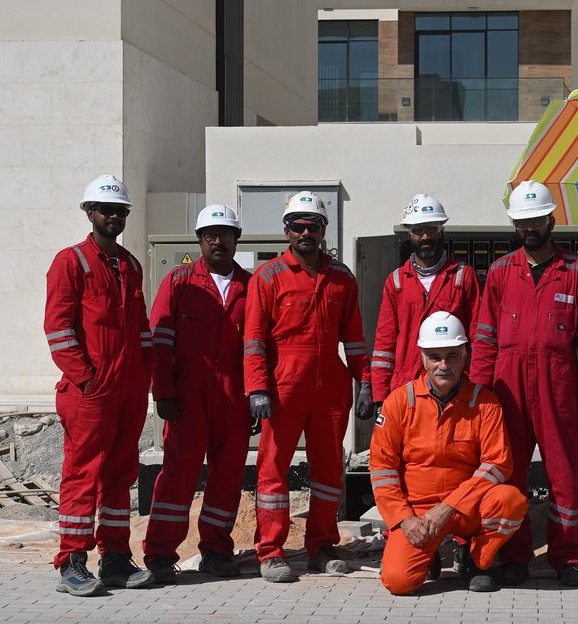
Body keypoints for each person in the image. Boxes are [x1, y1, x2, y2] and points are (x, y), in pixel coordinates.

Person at [470, 181, 578, 588]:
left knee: (564, 476)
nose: (529, 227)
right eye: (521, 222)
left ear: (550, 219)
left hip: (557, 385)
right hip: (507, 387)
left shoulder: (577, 271)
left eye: (536, 220)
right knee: (508, 475)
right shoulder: (499, 272)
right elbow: (484, 338)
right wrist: (478, 394)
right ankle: (514, 556)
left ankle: (568, 557)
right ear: (515, 225)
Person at [244, 191, 369, 582]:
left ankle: (322, 545)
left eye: (312, 226)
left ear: (323, 230)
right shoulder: (268, 277)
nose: (305, 232)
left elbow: (355, 340)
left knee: (330, 469)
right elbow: (253, 340)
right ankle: (271, 551)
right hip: (285, 384)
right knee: (273, 469)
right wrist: (257, 388)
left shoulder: (341, 278)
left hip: (330, 387)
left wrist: (365, 382)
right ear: (286, 231)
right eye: (297, 226)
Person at [46, 174, 155, 596]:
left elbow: (140, 328)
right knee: (82, 474)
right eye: (106, 210)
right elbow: (58, 330)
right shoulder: (70, 262)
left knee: (119, 475)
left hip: (127, 390)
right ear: (89, 213)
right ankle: (71, 562)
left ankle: (114, 559)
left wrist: (144, 375)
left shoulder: (129, 265)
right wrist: (87, 377)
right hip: (89, 391)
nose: (113, 216)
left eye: (120, 211)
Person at [368, 311, 527, 595]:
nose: (444, 365)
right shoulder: (399, 402)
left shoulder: (485, 403)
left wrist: (449, 506)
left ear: (465, 356)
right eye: (435, 357)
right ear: (423, 359)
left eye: (452, 356)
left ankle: (476, 561)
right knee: (399, 582)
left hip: (466, 509)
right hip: (417, 513)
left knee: (510, 500)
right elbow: (382, 470)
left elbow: (498, 463)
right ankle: (429, 554)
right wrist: (404, 520)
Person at [142, 204, 252, 583]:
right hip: (187, 396)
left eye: (225, 234)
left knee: (227, 475)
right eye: (210, 236)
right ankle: (158, 555)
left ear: (237, 240)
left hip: (233, 396)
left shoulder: (251, 287)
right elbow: (160, 341)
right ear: (200, 241)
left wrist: (254, 394)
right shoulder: (179, 282)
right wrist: (164, 391)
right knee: (177, 475)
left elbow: (260, 347)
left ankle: (217, 551)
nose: (217, 241)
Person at [364, 194, 480, 417]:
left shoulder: (463, 277)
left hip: (451, 384)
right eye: (418, 230)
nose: (425, 236)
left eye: (432, 229)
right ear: (410, 235)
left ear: (442, 231)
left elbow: (476, 338)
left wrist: (477, 385)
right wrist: (379, 393)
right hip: (405, 387)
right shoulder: (396, 281)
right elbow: (384, 343)